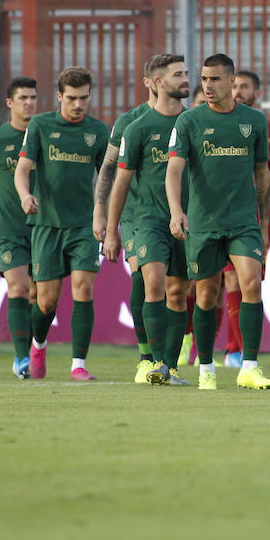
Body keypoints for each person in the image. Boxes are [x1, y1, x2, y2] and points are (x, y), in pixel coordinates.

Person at [166, 53, 270, 391]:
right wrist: (175, 210)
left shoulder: (254, 121)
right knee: (206, 295)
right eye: (204, 79)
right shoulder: (189, 122)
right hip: (204, 223)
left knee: (251, 284)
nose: (207, 86)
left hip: (243, 222)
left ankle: (250, 367)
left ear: (231, 82)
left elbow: (262, 174)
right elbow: (173, 170)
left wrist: (265, 222)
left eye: (214, 79)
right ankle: (207, 368)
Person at [102, 55, 194, 385]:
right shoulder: (137, 127)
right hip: (145, 218)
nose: (186, 79)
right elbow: (119, 180)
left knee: (178, 294)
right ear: (156, 82)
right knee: (152, 282)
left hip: (186, 220)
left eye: (186, 73)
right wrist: (110, 229)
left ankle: (169, 366)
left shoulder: (194, 122)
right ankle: (151, 361)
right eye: (178, 75)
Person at [14, 67, 108, 381]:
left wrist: (101, 211)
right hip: (46, 224)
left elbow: (106, 177)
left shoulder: (98, 130)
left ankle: (78, 365)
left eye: (84, 98)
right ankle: (38, 344)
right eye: (72, 98)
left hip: (83, 225)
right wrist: (25, 194)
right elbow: (23, 167)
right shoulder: (41, 125)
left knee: (83, 288)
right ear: (59, 96)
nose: (78, 104)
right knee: (47, 300)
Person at [219, 69, 270, 368]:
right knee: (227, 280)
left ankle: (237, 348)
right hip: (221, 213)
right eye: (234, 85)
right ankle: (234, 350)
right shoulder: (217, 124)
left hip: (255, 216)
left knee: (249, 283)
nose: (238, 91)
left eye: (245, 86)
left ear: (258, 92)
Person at [92, 69, 160, 382]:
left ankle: (168, 361)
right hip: (138, 215)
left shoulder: (187, 119)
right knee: (144, 280)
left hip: (180, 214)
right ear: (149, 82)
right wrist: (101, 213)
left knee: (176, 288)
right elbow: (108, 170)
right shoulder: (129, 122)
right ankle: (147, 357)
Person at [0, 77, 42, 379]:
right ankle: (21, 358)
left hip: (46, 228)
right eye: (23, 98)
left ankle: (37, 347)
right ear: (10, 103)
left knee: (41, 296)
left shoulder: (47, 136)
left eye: (33, 97)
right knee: (19, 287)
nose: (29, 103)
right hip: (9, 229)